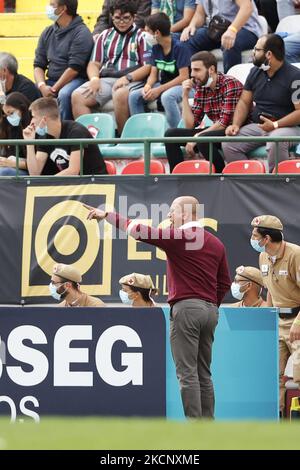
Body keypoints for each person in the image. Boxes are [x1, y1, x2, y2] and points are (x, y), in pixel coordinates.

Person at [83, 196, 231, 418]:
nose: (169, 215)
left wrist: (108, 215)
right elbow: (225, 282)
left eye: (172, 210)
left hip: (187, 310)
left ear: (185, 214)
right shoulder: (216, 243)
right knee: (204, 374)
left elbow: (139, 231)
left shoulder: (180, 237)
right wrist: (210, 305)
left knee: (187, 373)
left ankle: (196, 428)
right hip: (210, 311)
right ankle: (207, 425)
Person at [223, 34, 300, 173]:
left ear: (269, 54)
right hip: (259, 126)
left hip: (288, 127)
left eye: (257, 50)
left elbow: (299, 112)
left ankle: (277, 185)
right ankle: (251, 185)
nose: (253, 52)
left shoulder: (295, 76)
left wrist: (275, 125)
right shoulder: (255, 72)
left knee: (275, 141)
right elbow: (244, 102)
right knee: (229, 144)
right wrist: (236, 124)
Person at [72, 0, 151, 135]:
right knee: (77, 96)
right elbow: (94, 63)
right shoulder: (105, 35)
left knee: (120, 94)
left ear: (133, 17)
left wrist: (128, 78)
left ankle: (124, 141)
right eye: (117, 18)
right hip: (107, 78)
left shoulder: (142, 36)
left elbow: (147, 66)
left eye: (126, 18)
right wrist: (94, 78)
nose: (121, 22)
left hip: (133, 79)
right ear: (111, 17)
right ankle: (90, 142)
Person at [250, 214, 300, 414]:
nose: (252, 239)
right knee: (273, 375)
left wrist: (298, 323)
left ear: (267, 238)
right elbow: (270, 287)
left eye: (255, 235)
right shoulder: (263, 256)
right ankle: (275, 418)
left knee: (299, 373)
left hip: (297, 320)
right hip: (276, 321)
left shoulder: (295, 254)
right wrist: (267, 315)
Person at [165, 51, 244, 173]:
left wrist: (197, 137)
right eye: (192, 70)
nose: (192, 75)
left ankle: (220, 176)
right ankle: (178, 179)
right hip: (216, 131)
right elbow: (190, 125)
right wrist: (185, 96)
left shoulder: (230, 83)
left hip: (235, 130)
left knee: (203, 140)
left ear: (211, 69)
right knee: (171, 135)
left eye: (197, 70)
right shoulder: (201, 87)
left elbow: (224, 123)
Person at [34, 0, 94, 120]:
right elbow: (38, 64)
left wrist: (54, 89)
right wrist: (42, 85)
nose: (48, 8)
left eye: (52, 5)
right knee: (30, 89)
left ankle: (64, 130)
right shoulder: (47, 32)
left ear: (63, 9)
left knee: (64, 94)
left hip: (75, 80)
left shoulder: (82, 33)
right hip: (51, 81)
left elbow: (74, 68)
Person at [129, 12, 191, 128]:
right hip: (164, 84)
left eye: (147, 31)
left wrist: (159, 90)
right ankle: (142, 133)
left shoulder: (180, 47)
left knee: (167, 96)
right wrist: (148, 86)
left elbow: (184, 77)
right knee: (134, 96)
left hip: (185, 86)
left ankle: (177, 135)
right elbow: (153, 75)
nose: (145, 35)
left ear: (157, 33)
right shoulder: (156, 47)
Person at [22, 97, 107, 176]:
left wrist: (47, 184)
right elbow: (34, 173)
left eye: (33, 117)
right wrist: (29, 143)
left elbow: (73, 171)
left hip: (95, 183)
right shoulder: (45, 137)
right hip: (72, 186)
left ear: (44, 120)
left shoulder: (76, 132)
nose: (31, 122)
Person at [180, 0, 262, 73]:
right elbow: (199, 14)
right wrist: (192, 25)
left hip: (244, 29)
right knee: (188, 39)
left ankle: (230, 85)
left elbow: (247, 8)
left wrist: (232, 30)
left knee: (229, 43)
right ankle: (195, 81)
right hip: (217, 29)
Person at [0, 92, 31, 176]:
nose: (9, 118)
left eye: (11, 113)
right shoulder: (12, 128)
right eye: (7, 115)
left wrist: (12, 163)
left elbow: (39, 164)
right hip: (14, 167)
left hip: (30, 172)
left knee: (3, 172)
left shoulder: (35, 126)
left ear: (22, 108)